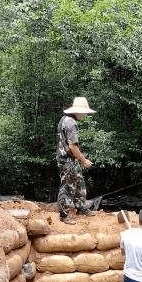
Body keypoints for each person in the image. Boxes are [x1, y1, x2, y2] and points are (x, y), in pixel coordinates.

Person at [56, 96, 95, 224]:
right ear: (77, 110)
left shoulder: (64, 119)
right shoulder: (71, 123)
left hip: (70, 160)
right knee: (68, 186)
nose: (84, 114)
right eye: (83, 112)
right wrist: (84, 161)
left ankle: (81, 207)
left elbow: (70, 146)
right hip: (67, 161)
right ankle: (64, 214)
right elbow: (72, 146)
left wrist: (80, 159)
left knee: (79, 182)